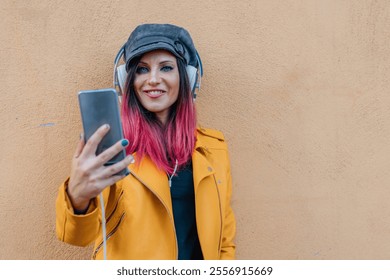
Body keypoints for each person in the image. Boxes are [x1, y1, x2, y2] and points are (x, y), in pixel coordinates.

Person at [55, 23, 236, 260]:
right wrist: (77, 197)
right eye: (141, 69)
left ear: (188, 79)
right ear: (125, 81)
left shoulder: (214, 149)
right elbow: (76, 237)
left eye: (166, 67)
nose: (152, 79)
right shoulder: (113, 150)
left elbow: (224, 242)